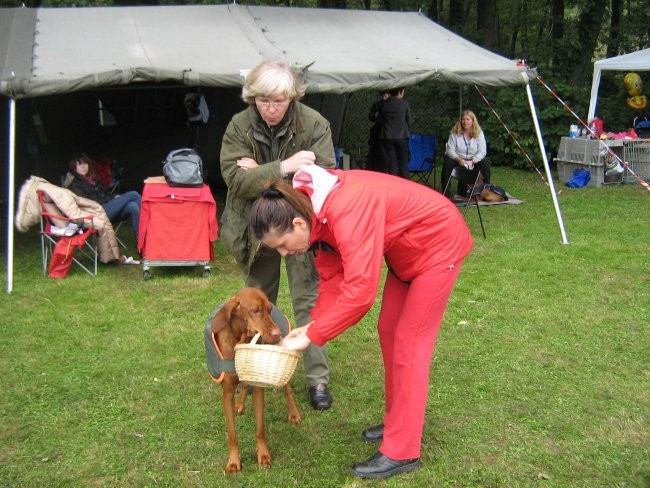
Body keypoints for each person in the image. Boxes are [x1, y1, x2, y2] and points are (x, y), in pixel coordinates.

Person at [249, 165, 473, 479]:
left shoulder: (345, 209)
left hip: (437, 246)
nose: (285, 253)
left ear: (298, 223)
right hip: (405, 255)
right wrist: (311, 325)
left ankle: (403, 450)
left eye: (283, 244)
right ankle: (399, 422)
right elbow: (332, 279)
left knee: (410, 343)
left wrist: (314, 333)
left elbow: (360, 293)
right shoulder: (316, 216)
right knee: (389, 331)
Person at [219, 59, 335, 410]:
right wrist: (285, 168)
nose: (270, 108)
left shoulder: (315, 124)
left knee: (308, 302)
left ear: (292, 97)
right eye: (263, 101)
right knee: (256, 304)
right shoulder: (238, 126)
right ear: (252, 97)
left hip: (299, 229)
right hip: (256, 232)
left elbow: (323, 180)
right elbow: (235, 181)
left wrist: (262, 177)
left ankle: (317, 380)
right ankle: (258, 371)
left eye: (278, 101)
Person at [67, 153, 141, 245]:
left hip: (106, 210)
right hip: (95, 215)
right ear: (74, 168)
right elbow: (86, 205)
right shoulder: (75, 186)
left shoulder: (93, 179)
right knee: (133, 194)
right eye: (79, 164)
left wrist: (114, 197)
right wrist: (112, 202)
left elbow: (106, 194)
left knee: (133, 206)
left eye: (85, 163)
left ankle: (140, 244)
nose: (83, 166)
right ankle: (152, 229)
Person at [441, 110, 491, 199]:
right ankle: (446, 194)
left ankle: (486, 191)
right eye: (463, 119)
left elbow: (482, 151)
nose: (465, 122)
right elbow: (449, 150)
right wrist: (459, 159)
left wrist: (473, 161)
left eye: (468, 119)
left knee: (485, 162)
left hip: (473, 160)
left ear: (472, 121)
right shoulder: (455, 133)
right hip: (458, 159)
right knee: (448, 161)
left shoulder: (479, 133)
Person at [379, 88, 412, 179]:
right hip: (402, 137)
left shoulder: (384, 104)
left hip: (387, 137)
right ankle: (406, 185)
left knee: (392, 163)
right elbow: (409, 121)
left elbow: (379, 121)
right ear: (400, 92)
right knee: (403, 164)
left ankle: (393, 185)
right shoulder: (404, 104)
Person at [365, 91, 390, 172]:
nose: (384, 97)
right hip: (377, 133)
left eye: (386, 95)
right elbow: (371, 116)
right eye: (383, 95)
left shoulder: (392, 105)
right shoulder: (377, 104)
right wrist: (375, 115)